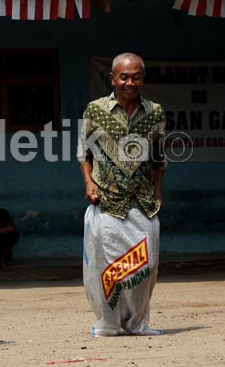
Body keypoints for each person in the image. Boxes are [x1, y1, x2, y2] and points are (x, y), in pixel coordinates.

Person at [77, 52, 166, 337]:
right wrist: (89, 184)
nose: (130, 82)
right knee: (109, 266)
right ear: (113, 78)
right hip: (106, 200)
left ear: (143, 78)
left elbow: (159, 159)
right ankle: (109, 322)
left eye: (136, 76)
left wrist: (158, 192)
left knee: (147, 264)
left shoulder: (155, 112)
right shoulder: (95, 110)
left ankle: (137, 322)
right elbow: (84, 153)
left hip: (143, 201)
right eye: (124, 77)